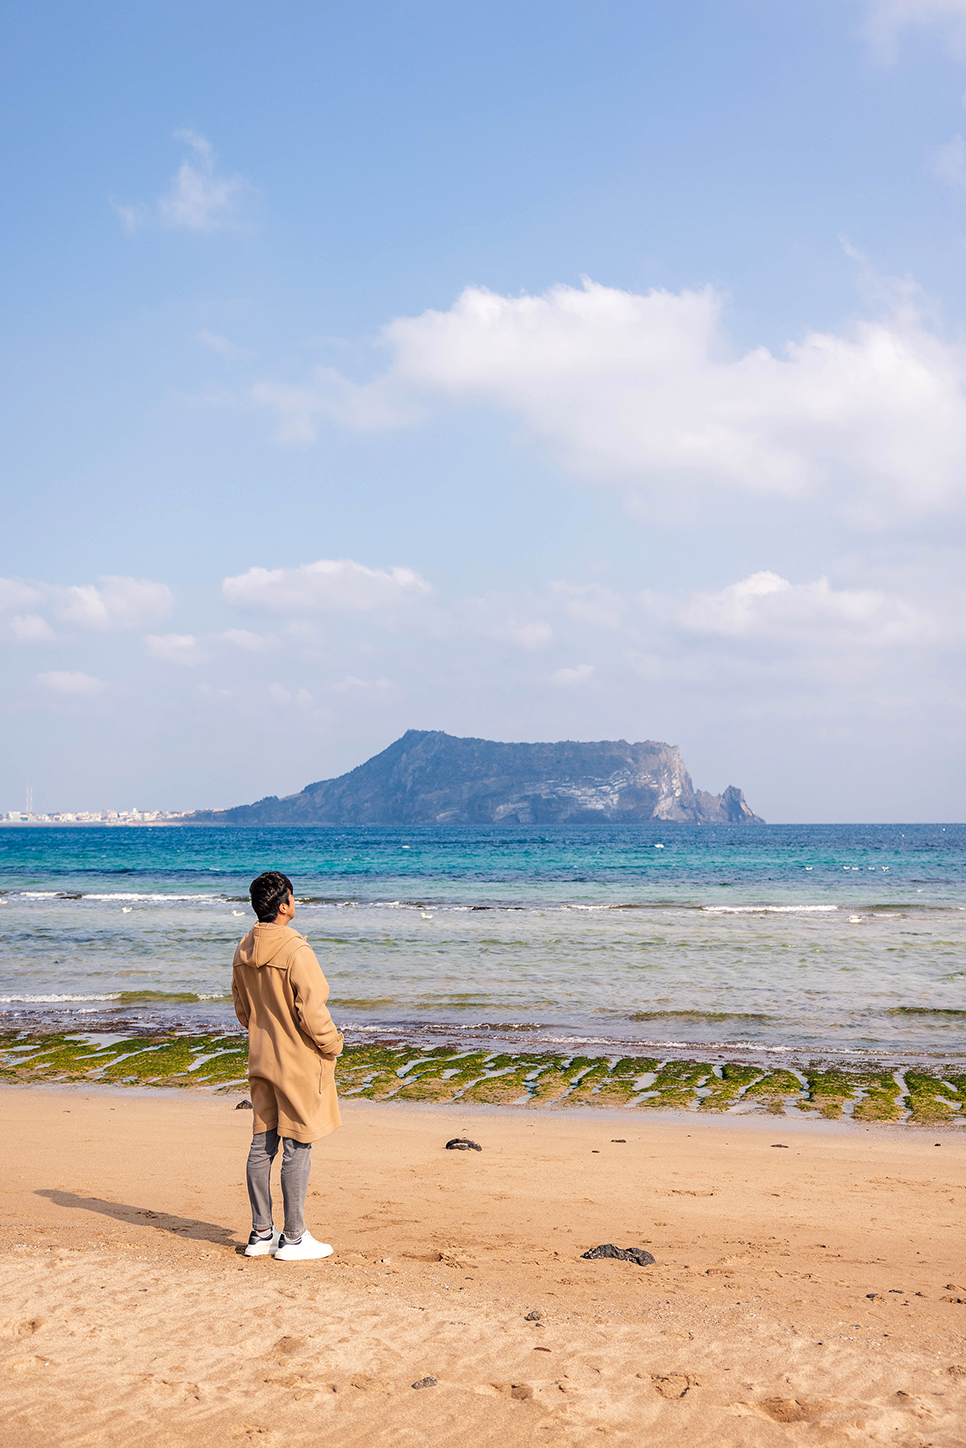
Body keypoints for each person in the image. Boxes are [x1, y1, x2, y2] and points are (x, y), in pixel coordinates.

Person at [231, 870, 344, 1261]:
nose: (296, 904)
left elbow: (243, 1012)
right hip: (296, 1062)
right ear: (284, 907)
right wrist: (333, 1044)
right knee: (298, 1145)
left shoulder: (243, 950)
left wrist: (265, 1031)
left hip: (261, 1058)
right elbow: (312, 1012)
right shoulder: (297, 951)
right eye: (294, 899)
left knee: (263, 1144)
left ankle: (262, 1232)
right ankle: (294, 1238)